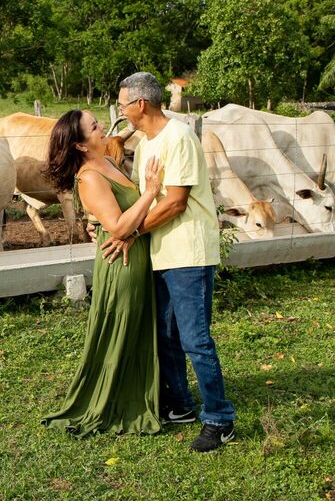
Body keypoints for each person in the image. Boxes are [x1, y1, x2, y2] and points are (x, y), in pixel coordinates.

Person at [100, 71, 237, 453]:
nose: (122, 111)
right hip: (162, 253)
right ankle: (180, 405)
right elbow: (146, 200)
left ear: (140, 104)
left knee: (195, 340)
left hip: (188, 252)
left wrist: (131, 233)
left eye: (123, 104)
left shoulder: (178, 138)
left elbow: (175, 202)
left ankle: (220, 419)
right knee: (167, 335)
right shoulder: (146, 144)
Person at [41, 109, 164, 437]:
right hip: (120, 262)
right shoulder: (90, 177)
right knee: (120, 327)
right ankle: (114, 398)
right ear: (81, 145)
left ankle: (138, 392)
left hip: (133, 254)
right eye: (94, 127)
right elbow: (119, 225)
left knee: (135, 327)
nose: (102, 128)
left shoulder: (107, 163)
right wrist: (151, 192)